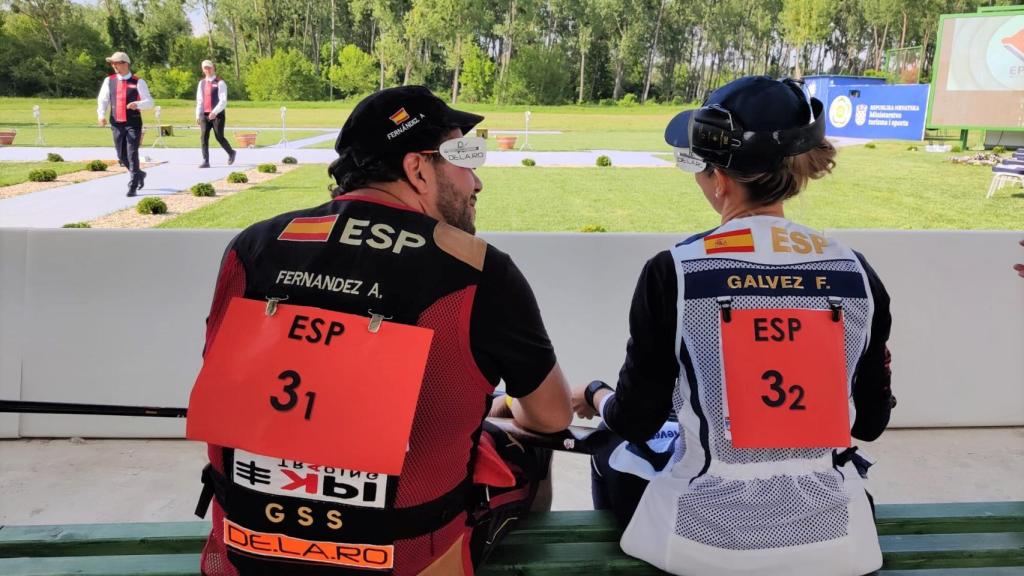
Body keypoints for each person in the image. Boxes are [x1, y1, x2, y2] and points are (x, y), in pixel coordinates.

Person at [191, 85, 573, 575]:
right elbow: (551, 418)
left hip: (246, 551)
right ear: (417, 169)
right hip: (406, 559)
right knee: (531, 452)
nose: (476, 181)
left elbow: (235, 383)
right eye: (463, 158)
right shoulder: (479, 269)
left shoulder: (251, 246)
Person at [573, 76, 894, 576]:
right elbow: (869, 424)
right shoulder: (858, 273)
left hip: (698, 541)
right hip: (842, 542)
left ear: (720, 180)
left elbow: (635, 418)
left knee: (608, 446)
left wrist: (595, 393)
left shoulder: (673, 271)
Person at [96, 51, 153, 197]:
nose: (113, 65)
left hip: (133, 123)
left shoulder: (138, 82)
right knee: (121, 156)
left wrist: (138, 104)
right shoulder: (109, 80)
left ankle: (133, 183)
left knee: (132, 152)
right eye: (112, 63)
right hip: (116, 123)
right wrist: (101, 115)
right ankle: (139, 173)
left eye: (116, 63)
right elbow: (103, 99)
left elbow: (149, 102)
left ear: (125, 64)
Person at [195, 60, 236, 168]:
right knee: (203, 137)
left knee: (219, 137)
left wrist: (214, 112)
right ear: (203, 70)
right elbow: (200, 100)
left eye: (209, 67)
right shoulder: (202, 83)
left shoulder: (220, 82)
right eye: (205, 68)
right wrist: (198, 115)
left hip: (217, 115)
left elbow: (223, 101)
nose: (207, 70)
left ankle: (231, 152)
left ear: (213, 68)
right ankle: (205, 160)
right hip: (204, 114)